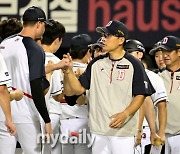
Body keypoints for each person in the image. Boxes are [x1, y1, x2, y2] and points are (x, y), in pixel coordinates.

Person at [62, 20, 155, 154]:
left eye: (108, 36)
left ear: (121, 40)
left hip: (123, 131)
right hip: (98, 130)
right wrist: (69, 72)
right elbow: (79, 89)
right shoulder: (95, 63)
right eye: (103, 36)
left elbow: (140, 95)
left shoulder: (134, 64)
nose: (103, 39)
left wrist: (125, 114)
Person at [0, 6, 52, 154]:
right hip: (25, 113)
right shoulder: (34, 48)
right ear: (39, 23)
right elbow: (36, 86)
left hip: (3, 111)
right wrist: (47, 120)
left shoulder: (4, 43)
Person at [125, 39, 168, 154]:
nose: (125, 55)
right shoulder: (122, 75)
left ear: (140, 54)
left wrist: (157, 132)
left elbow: (160, 105)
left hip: (145, 129)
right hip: (124, 128)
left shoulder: (152, 77)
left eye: (129, 51)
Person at [61, 34, 92, 154]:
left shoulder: (60, 68)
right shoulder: (89, 71)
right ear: (88, 51)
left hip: (63, 121)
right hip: (83, 120)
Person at [150, 35, 180, 154]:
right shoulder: (155, 78)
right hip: (158, 136)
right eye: (163, 51)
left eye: (169, 51)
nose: (165, 55)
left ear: (179, 52)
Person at [40, 19, 66, 154]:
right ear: (57, 40)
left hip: (28, 113)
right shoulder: (55, 62)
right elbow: (57, 96)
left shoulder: (29, 58)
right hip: (50, 115)